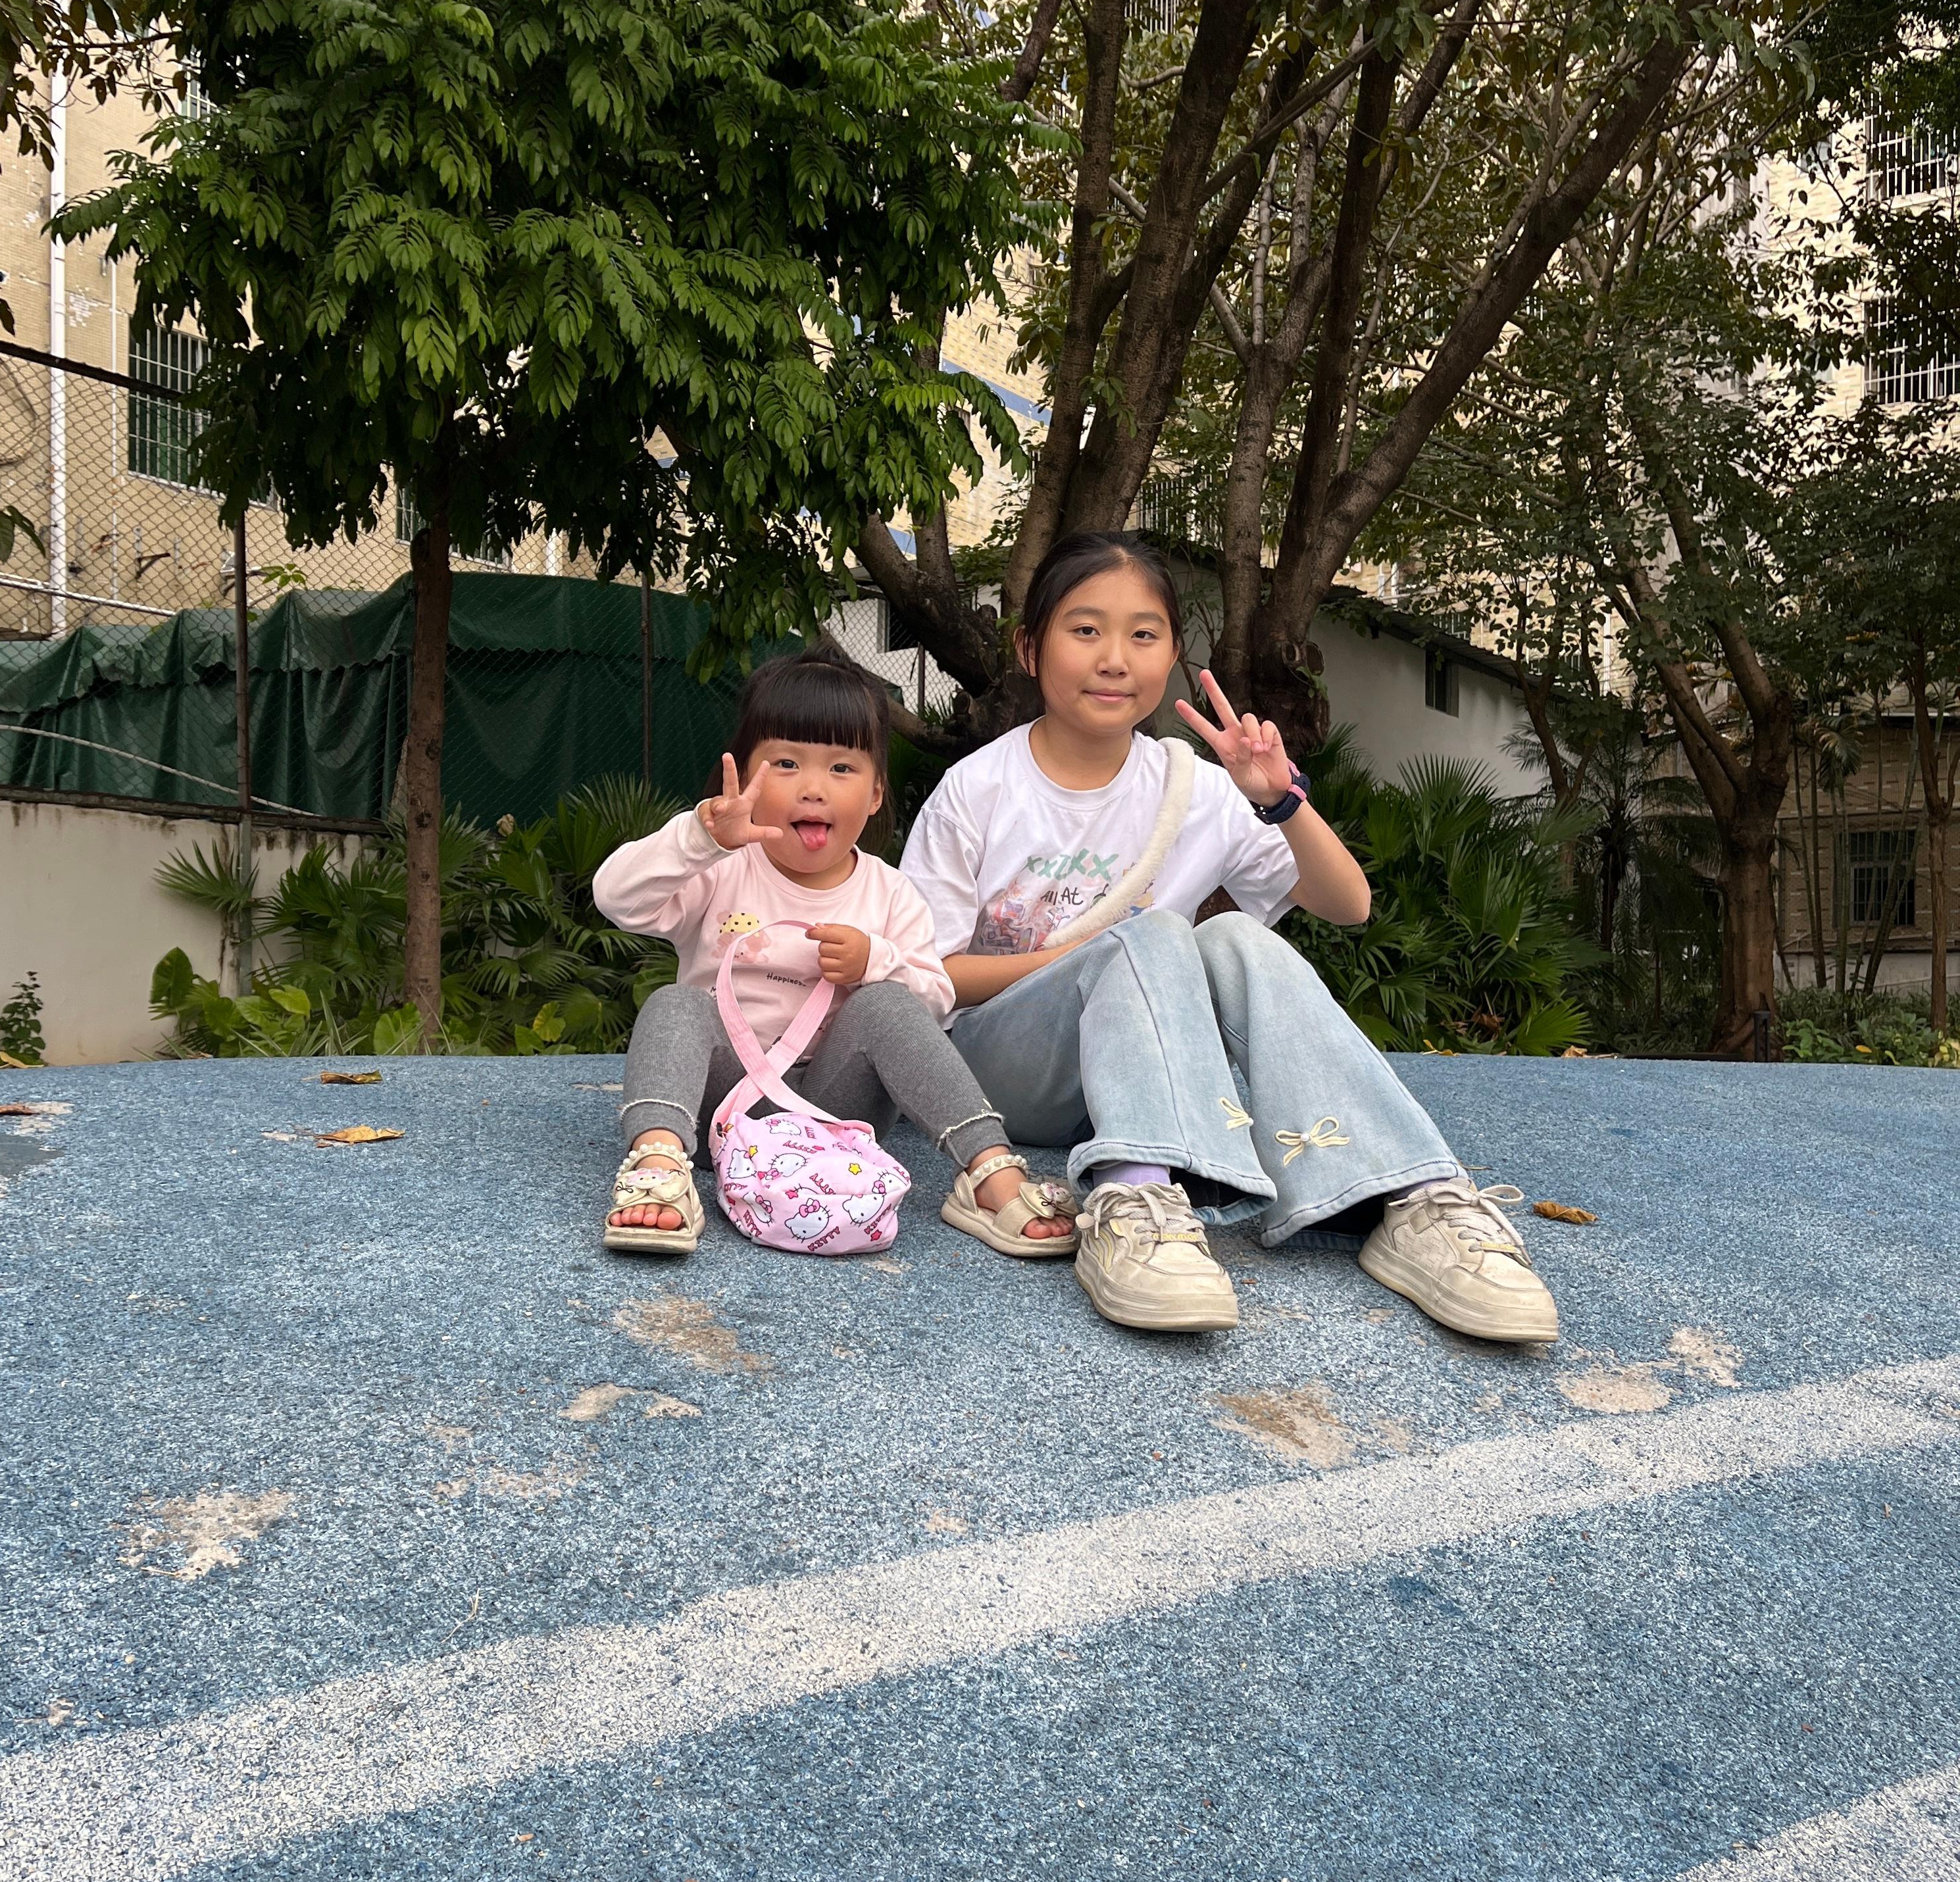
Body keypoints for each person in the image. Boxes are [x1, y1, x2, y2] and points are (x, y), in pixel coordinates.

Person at [898, 533, 1559, 1343]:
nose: (1115, 659)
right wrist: (1090, 956)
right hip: (1005, 1072)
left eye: (1144, 635)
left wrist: (1281, 801)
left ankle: (1411, 1198)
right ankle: (1134, 1198)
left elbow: (1348, 904)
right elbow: (928, 978)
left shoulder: (1198, 789)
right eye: (1085, 630)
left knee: (1238, 936)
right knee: (1151, 935)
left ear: (1173, 653)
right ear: (1031, 649)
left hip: (1141, 1074)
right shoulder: (978, 789)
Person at [591, 647, 1076, 1258]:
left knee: (887, 1004)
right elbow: (617, 898)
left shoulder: (890, 892)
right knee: (675, 1005)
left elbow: (936, 1000)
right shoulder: (718, 869)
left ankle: (989, 1172)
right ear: (742, 777)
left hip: (835, 1110)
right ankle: (660, 1165)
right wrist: (699, 838)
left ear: (875, 793)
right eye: (786, 763)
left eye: (842, 768)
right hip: (722, 1105)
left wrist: (876, 963)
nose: (814, 789)